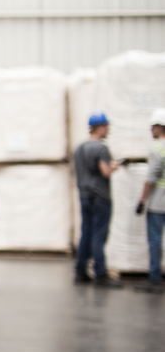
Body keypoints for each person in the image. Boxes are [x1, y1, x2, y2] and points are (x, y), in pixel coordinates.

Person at [72, 112, 123, 288]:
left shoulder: (79, 148)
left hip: (84, 195)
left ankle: (80, 271)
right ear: (100, 127)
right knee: (99, 235)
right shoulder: (101, 148)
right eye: (106, 126)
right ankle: (100, 274)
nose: (108, 129)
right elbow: (105, 172)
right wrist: (114, 166)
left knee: (86, 232)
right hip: (100, 197)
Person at [133, 108, 165, 294]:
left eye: (152, 127)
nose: (151, 130)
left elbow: (151, 178)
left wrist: (141, 200)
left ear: (160, 127)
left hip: (158, 203)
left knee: (155, 240)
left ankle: (154, 278)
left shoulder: (157, 149)